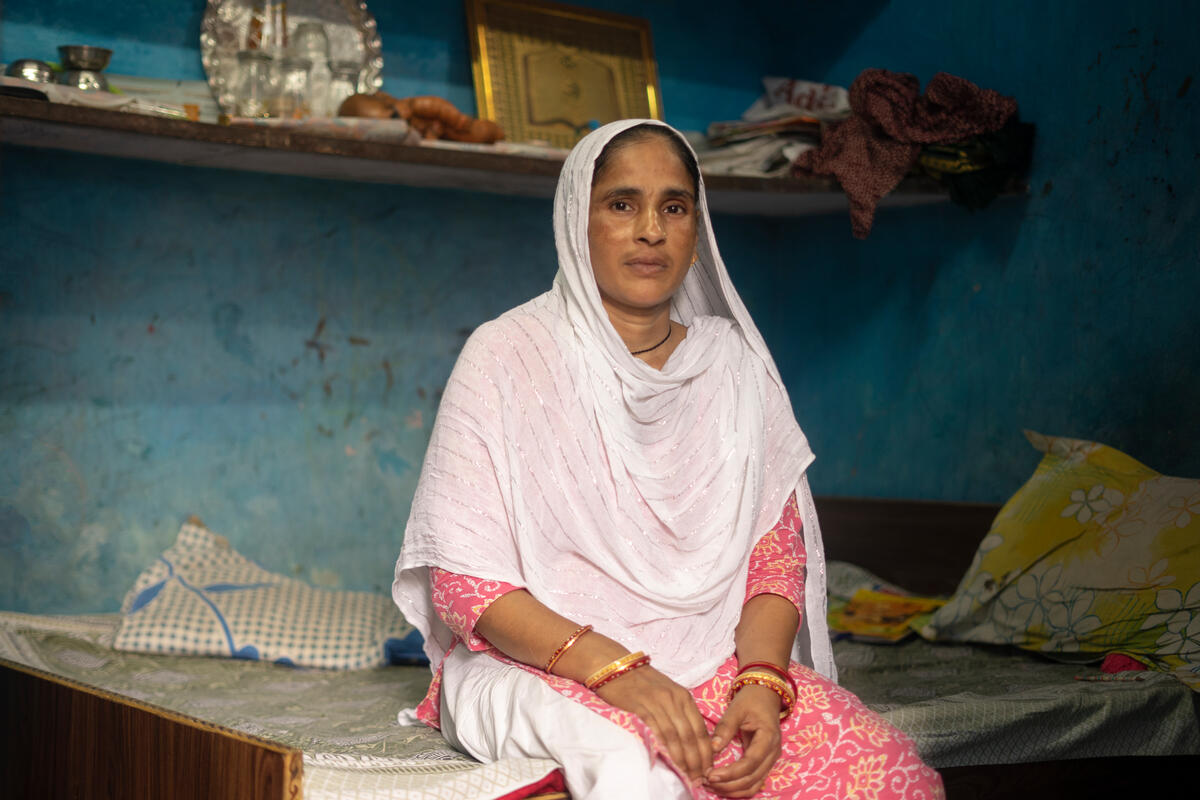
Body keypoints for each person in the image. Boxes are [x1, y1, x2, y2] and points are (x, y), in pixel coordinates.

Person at [393, 119, 943, 799]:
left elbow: (775, 561)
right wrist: (624, 674)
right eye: (622, 204)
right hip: (534, 665)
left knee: (895, 778)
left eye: (674, 206)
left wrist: (763, 682)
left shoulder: (731, 365)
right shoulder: (508, 353)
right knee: (641, 776)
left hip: (717, 664)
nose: (650, 229)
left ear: (695, 227)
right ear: (577, 218)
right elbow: (465, 584)